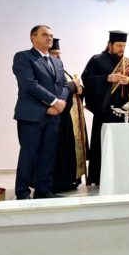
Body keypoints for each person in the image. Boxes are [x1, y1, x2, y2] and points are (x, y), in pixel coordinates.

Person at [12, 25, 69, 199]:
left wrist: (60, 103)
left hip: (53, 115)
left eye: (51, 35)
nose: (49, 38)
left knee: (47, 155)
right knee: (28, 155)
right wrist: (54, 101)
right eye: (44, 35)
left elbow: (64, 85)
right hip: (31, 115)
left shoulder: (57, 61)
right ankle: (22, 192)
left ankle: (43, 190)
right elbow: (29, 84)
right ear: (33, 37)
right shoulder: (23, 57)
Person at [81, 31, 129, 186]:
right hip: (104, 111)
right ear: (110, 45)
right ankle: (99, 177)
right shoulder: (96, 60)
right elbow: (87, 79)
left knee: (122, 146)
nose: (122, 49)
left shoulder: (128, 63)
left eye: (124, 46)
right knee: (102, 144)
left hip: (123, 113)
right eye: (119, 45)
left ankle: (121, 176)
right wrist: (106, 78)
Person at [49, 38, 88, 193]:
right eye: (54, 54)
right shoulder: (47, 71)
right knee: (58, 152)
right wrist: (73, 85)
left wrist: (80, 89)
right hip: (57, 118)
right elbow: (58, 89)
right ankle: (57, 183)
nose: (58, 57)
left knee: (69, 150)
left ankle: (71, 180)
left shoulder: (62, 71)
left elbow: (72, 87)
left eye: (59, 54)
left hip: (70, 120)